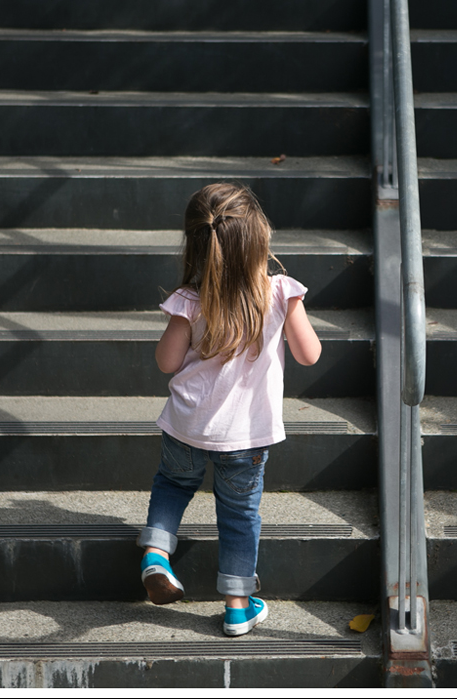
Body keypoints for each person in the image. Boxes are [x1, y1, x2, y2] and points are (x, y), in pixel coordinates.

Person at [136, 182, 321, 636]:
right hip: (247, 437)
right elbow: (309, 354)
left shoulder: (190, 300)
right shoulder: (280, 292)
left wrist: (183, 321)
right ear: (258, 239)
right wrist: (291, 310)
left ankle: (156, 554)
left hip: (186, 425)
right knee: (239, 515)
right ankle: (238, 606)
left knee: (173, 484)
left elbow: (166, 363)